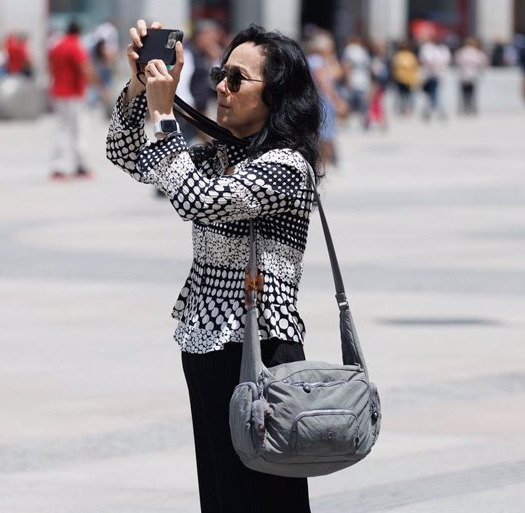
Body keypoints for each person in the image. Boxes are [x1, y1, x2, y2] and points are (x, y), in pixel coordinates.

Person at [107, 20, 322, 513]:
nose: (220, 87)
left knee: (266, 494)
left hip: (260, 344)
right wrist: (140, 88)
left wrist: (166, 117)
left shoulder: (286, 167)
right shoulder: (222, 155)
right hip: (206, 339)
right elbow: (123, 154)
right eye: (219, 74)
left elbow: (197, 201)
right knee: (221, 490)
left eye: (236, 80)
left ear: (277, 95)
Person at [49, 20, 106, 180]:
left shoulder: (57, 45)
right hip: (74, 93)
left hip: (59, 92)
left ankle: (58, 166)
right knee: (80, 129)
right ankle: (80, 165)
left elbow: (51, 66)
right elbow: (85, 67)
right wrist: (100, 86)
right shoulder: (75, 46)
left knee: (61, 129)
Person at [305, 29, 347, 164]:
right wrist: (337, 101)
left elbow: (336, 74)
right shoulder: (317, 61)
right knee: (325, 133)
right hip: (323, 101)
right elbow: (325, 84)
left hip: (316, 100)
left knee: (321, 132)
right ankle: (323, 163)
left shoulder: (313, 60)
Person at [419, 33, 451, 120]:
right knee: (432, 93)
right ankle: (436, 110)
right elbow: (426, 59)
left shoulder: (443, 49)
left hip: (438, 74)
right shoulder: (427, 47)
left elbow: (445, 60)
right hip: (429, 74)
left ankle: (431, 111)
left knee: (434, 93)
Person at [342, 35, 371, 128]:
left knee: (350, 101)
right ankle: (365, 120)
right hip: (363, 80)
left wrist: (347, 80)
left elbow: (346, 66)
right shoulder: (363, 51)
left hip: (354, 79)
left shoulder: (349, 50)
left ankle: (346, 120)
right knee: (362, 101)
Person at [454, 36, 488, 115]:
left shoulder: (462, 52)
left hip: (464, 74)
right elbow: (483, 62)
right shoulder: (477, 53)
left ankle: (465, 107)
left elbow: (457, 61)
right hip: (473, 75)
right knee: (472, 93)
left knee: (464, 93)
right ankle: (471, 108)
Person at [392, 40, 420, 115]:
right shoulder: (399, 56)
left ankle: (407, 109)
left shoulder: (409, 56)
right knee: (402, 95)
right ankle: (402, 109)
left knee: (408, 95)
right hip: (401, 78)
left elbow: (414, 68)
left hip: (408, 79)